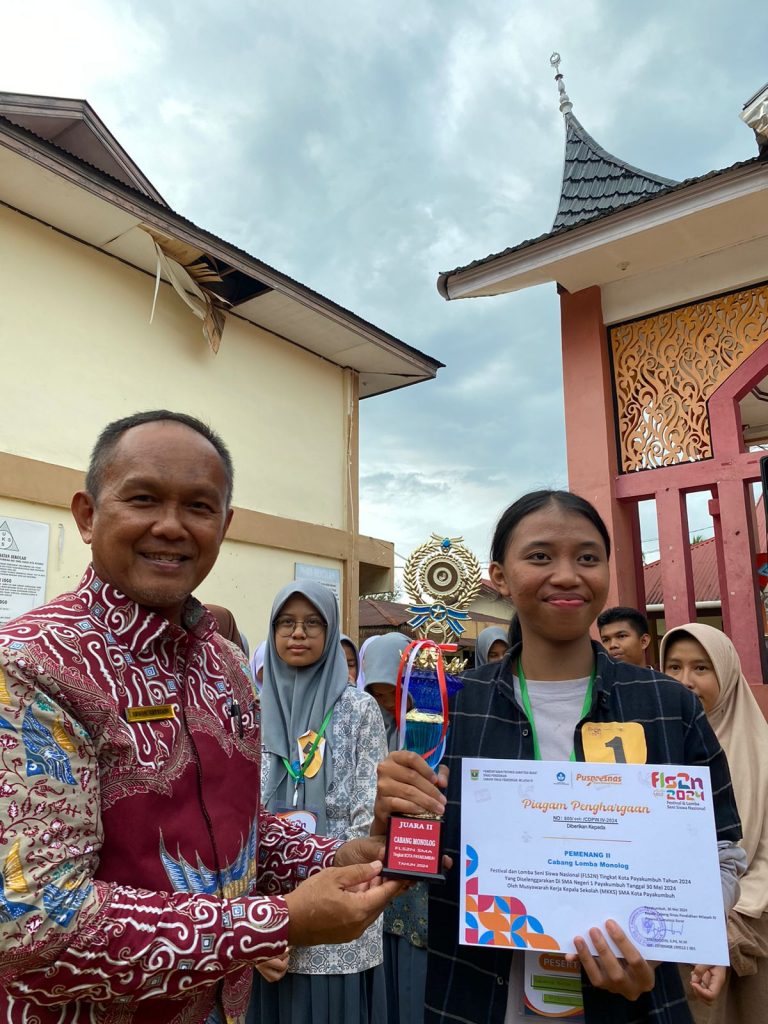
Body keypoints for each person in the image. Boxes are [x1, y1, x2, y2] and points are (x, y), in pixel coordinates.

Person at [0, 410, 400, 1024]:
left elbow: (237, 830)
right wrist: (278, 922)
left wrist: (333, 857)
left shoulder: (226, 665)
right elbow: (35, 924)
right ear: (86, 515)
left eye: (199, 506)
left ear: (224, 525)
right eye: (142, 498)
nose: (171, 525)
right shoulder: (32, 665)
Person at [372, 490, 744, 1024]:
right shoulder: (453, 707)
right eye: (541, 556)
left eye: (588, 557)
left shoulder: (666, 705)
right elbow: (411, 862)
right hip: (476, 997)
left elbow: (723, 850)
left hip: (636, 1001)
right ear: (499, 576)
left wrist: (671, 935)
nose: (567, 575)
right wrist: (395, 824)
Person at [252, 580, 388, 1024]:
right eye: (286, 623)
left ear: (330, 633)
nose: (298, 633)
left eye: (313, 623)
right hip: (262, 901)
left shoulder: (358, 709)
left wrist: (337, 884)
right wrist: (257, 912)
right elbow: (237, 815)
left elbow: (368, 807)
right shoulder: (249, 708)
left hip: (340, 893)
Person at [661, 623, 768, 1023]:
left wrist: (715, 918)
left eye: (701, 668)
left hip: (747, 927)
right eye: (673, 667)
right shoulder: (652, 748)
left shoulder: (760, 751)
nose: (684, 681)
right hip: (665, 932)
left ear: (727, 675)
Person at [363, 633, 429, 1024]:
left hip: (422, 866)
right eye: (378, 693)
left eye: (394, 691)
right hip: (382, 860)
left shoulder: (434, 729)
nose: (388, 702)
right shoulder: (373, 729)